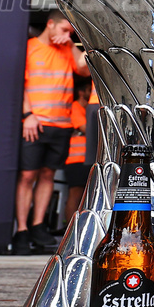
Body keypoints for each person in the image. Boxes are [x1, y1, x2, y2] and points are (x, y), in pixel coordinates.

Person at [13, 10, 88, 255]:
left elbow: (85, 69)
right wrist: (27, 115)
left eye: (71, 32)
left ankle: (37, 226)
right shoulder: (30, 48)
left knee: (47, 175)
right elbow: (20, 84)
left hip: (61, 125)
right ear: (50, 25)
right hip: (36, 123)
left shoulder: (67, 49)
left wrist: (71, 44)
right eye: (64, 30)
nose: (67, 35)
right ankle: (22, 230)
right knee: (27, 176)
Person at [62, 81, 93, 224]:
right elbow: (86, 128)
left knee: (85, 197)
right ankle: (69, 228)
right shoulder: (76, 107)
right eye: (89, 90)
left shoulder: (87, 109)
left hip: (86, 159)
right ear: (81, 92)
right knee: (75, 194)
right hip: (76, 160)